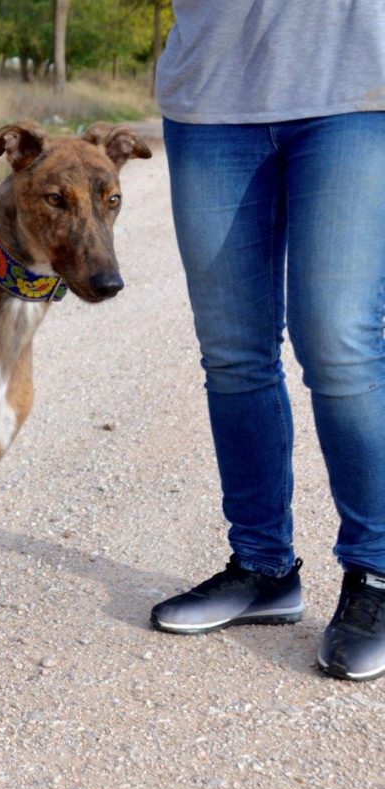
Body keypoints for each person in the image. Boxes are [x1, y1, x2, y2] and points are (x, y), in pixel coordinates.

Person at [148, 1, 385, 680]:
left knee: (339, 339)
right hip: (212, 91)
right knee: (232, 350)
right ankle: (263, 567)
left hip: (356, 82)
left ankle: (376, 574)